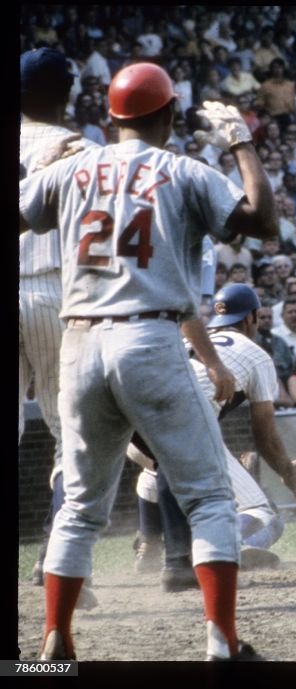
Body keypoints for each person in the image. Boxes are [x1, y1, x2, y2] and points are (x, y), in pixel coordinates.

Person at [20, 62, 278, 660]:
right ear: (166, 117)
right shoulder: (185, 170)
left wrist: (40, 169)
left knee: (82, 507)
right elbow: (263, 223)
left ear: (110, 119)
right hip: (150, 337)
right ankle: (223, 646)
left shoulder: (71, 165)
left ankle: (52, 642)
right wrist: (239, 140)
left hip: (79, 342)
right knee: (211, 498)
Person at [128, 285, 296, 590]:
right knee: (265, 514)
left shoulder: (190, 340)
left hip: (135, 427)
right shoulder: (255, 355)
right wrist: (285, 470)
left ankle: (150, 543)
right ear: (252, 318)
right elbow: (265, 434)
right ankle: (228, 546)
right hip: (184, 423)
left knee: (155, 472)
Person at [20, 48, 102, 604]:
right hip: (54, 291)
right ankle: (63, 564)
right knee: (69, 436)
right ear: (67, 93)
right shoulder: (84, 148)